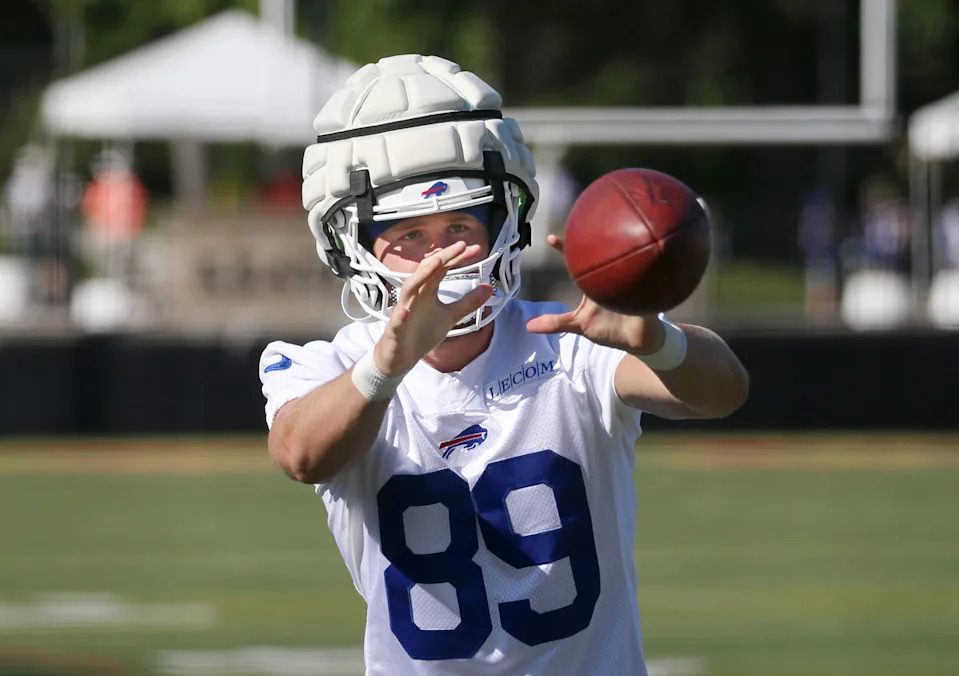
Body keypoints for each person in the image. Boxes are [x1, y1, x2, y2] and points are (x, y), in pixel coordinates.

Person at [260, 54, 748, 676]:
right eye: (410, 235)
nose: (443, 255)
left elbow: (723, 392)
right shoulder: (333, 366)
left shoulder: (567, 342)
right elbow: (302, 454)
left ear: (505, 227)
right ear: (353, 246)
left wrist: (655, 339)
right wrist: (388, 364)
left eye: (461, 223)